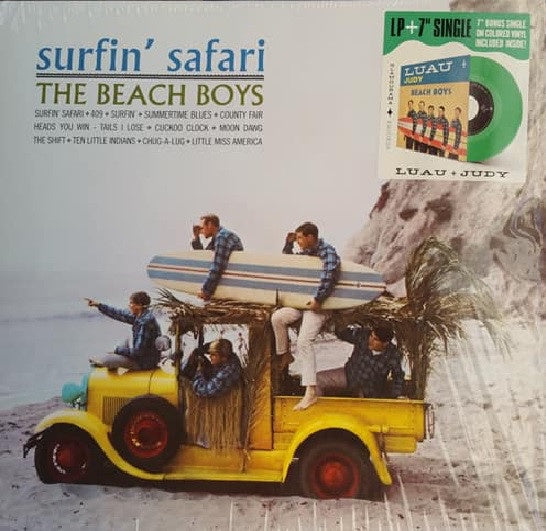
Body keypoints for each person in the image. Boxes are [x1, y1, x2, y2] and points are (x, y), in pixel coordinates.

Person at [271, 222, 340, 410]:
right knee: (277, 318)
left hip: (321, 305)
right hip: (303, 303)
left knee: (304, 342)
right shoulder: (308, 252)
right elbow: (291, 263)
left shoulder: (328, 251)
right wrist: (288, 244)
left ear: (311, 237)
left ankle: (310, 392)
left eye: (300, 238)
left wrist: (319, 298)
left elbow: (329, 274)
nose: (298, 241)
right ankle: (285, 355)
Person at [316, 324, 405, 399]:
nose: (370, 340)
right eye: (371, 336)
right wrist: (341, 322)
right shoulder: (363, 336)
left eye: (375, 339)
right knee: (318, 379)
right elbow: (342, 334)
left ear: (385, 343)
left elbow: (398, 376)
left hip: (369, 389)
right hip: (349, 375)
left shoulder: (393, 355)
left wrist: (397, 395)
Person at [86, 291, 161, 371]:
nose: (129, 305)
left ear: (139, 305)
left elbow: (137, 353)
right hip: (146, 355)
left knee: (107, 360)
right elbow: (118, 313)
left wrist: (117, 351)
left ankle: (112, 362)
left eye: (131, 303)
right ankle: (115, 360)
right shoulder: (142, 315)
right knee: (127, 340)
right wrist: (98, 305)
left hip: (145, 363)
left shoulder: (145, 323)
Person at [198, 214, 243, 301]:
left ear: (209, 224)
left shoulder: (222, 237)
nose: (201, 231)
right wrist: (196, 238)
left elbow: (218, 266)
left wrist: (206, 291)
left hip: (233, 279)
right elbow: (204, 258)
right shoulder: (218, 237)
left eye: (202, 228)